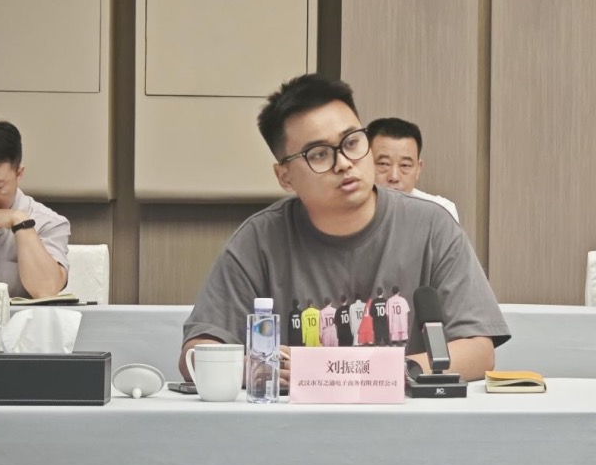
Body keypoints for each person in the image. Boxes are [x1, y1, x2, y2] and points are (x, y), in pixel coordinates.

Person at [179, 74, 509, 382]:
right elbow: (196, 354)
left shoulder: (432, 227)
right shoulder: (258, 240)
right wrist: (260, 367)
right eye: (319, 154)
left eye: (351, 142)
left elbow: (478, 350)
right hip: (295, 420)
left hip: (404, 416)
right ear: (285, 177)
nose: (343, 163)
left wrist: (360, 371)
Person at [0, 119, 69, 298]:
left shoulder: (48, 222)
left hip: (18, 318)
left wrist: (20, 222)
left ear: (19, 174)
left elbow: (46, 291)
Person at [366, 117, 459, 222]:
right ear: (365, 164)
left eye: (405, 165)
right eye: (384, 164)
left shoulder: (441, 212)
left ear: (418, 169)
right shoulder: (351, 212)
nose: (394, 177)